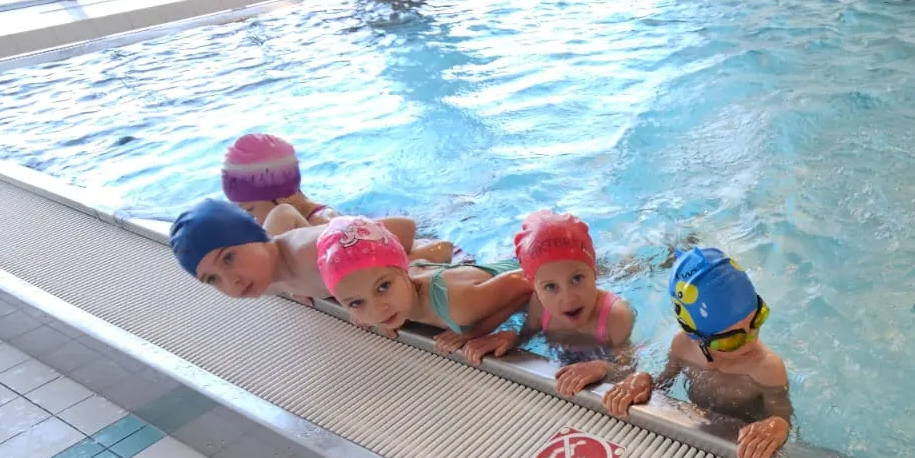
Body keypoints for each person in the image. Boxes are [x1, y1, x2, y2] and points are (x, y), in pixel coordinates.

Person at [603, 247, 791, 458]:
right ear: (697, 336)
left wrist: (778, 425)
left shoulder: (767, 367)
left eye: (757, 320)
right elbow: (662, 385)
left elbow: (782, 416)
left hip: (744, 445)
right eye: (730, 340)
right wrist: (643, 379)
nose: (751, 339)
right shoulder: (682, 346)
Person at [455, 212, 637, 397]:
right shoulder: (540, 306)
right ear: (534, 288)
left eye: (577, 278)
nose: (568, 298)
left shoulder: (615, 316)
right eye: (550, 286)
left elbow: (628, 370)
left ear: (594, 271)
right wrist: (512, 338)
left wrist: (604, 367)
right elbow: (527, 332)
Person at [221, 133, 453, 261]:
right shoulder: (296, 218)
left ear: (283, 198)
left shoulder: (321, 221)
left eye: (250, 209)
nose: (248, 218)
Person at [315, 216, 533, 346]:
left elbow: (527, 281)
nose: (377, 310)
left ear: (403, 270)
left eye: (383, 287)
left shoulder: (458, 307)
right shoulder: (393, 283)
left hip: (525, 274)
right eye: (356, 302)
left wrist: (476, 331)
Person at [170, 199, 422, 303]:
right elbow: (283, 211)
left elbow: (405, 228)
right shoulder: (261, 277)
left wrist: (372, 298)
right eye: (212, 279)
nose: (230, 281)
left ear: (253, 234)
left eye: (228, 258)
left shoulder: (314, 255)